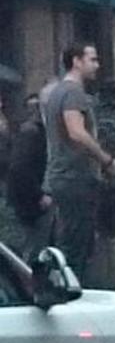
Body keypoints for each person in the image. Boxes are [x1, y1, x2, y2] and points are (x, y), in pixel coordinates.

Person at [44, 43, 115, 279]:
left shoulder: (57, 92)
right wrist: (108, 162)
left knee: (70, 242)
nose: (97, 65)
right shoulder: (73, 93)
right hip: (75, 179)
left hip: (63, 178)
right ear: (76, 61)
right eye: (92, 59)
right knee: (78, 247)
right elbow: (77, 132)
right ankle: (73, 297)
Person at [6, 94, 53, 261]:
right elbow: (19, 168)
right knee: (29, 252)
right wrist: (39, 195)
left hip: (27, 203)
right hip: (29, 206)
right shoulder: (31, 133)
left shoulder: (31, 131)